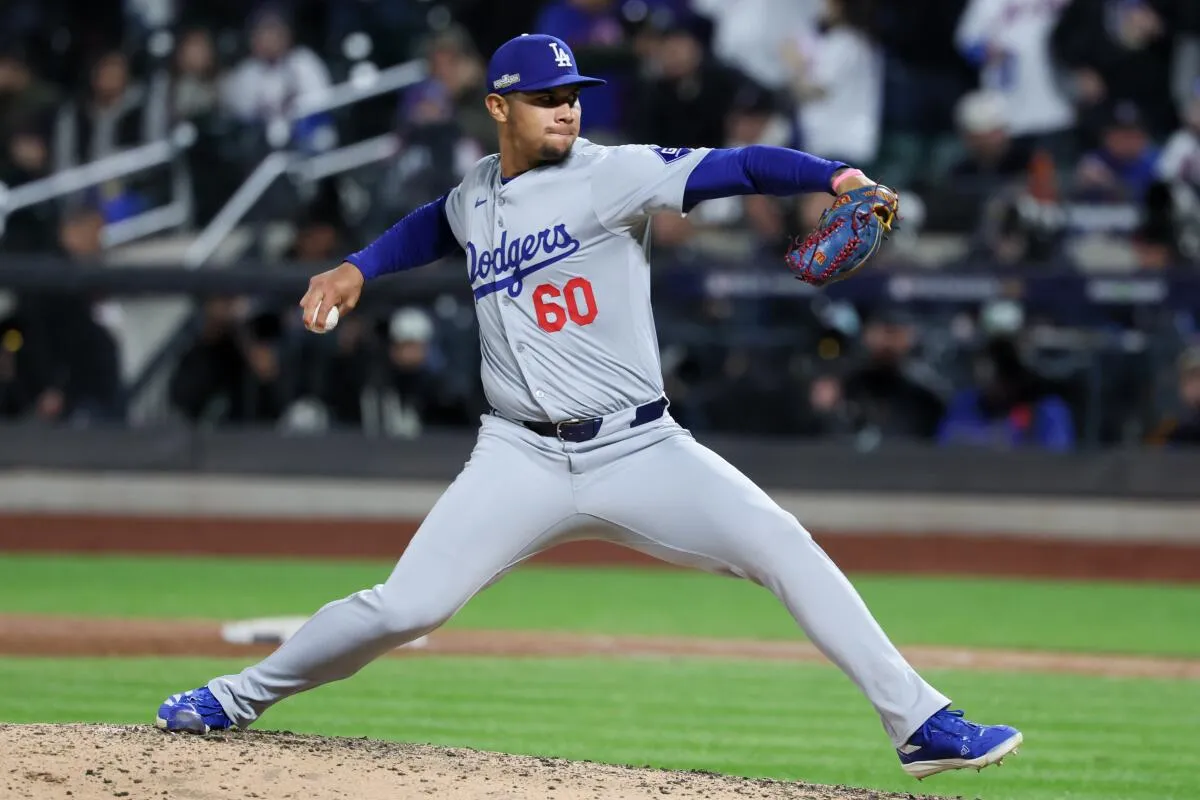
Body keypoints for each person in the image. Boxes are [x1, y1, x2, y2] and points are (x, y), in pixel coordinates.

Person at [156, 33, 1022, 781]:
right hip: (518, 458)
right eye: (545, 99)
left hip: (641, 451)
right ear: (499, 108)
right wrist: (355, 268)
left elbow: (737, 167)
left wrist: (834, 175)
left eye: (572, 96)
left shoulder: (615, 175)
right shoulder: (477, 192)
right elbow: (434, 223)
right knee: (405, 609)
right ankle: (235, 696)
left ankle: (919, 724)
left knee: (779, 541)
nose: (566, 111)